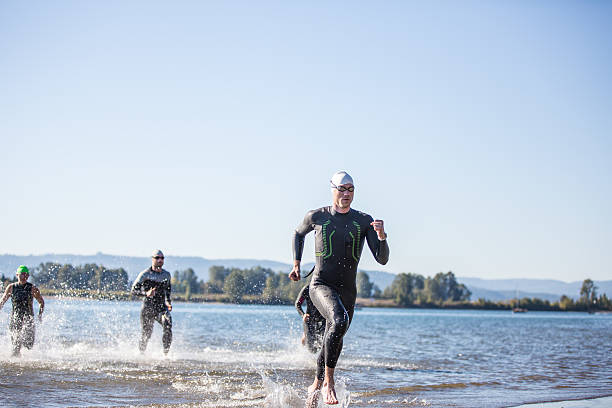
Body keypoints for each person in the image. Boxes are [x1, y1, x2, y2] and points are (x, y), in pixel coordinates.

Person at [289, 171, 389, 406]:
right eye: (341, 189)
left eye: (350, 189)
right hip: (321, 284)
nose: (346, 194)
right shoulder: (317, 216)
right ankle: (328, 383)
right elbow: (297, 233)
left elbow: (382, 259)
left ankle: (315, 385)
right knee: (339, 320)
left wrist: (382, 236)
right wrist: (296, 264)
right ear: (332, 189)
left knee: (334, 334)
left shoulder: (364, 221)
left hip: (347, 291)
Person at [131, 250, 173, 354]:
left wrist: (168, 302)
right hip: (147, 308)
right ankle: (141, 354)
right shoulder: (145, 274)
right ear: (152, 259)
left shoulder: (166, 275)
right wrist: (146, 293)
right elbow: (133, 291)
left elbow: (168, 291)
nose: (160, 260)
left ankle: (165, 355)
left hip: (161, 308)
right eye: (157, 258)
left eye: (162, 258)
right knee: (146, 334)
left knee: (167, 324)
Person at [0, 265, 45, 357]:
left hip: (29, 320)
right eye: (21, 275)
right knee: (16, 345)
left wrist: (40, 314)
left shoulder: (32, 288)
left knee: (29, 346)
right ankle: (16, 363)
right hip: (15, 319)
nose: (24, 277)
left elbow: (41, 302)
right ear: (17, 275)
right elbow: (2, 301)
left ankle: (27, 362)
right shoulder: (11, 287)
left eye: (26, 275)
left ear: (28, 276)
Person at [295, 283, 325, 354]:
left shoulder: (326, 288)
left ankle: (322, 361)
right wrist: (303, 315)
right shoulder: (307, 288)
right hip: (309, 319)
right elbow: (298, 304)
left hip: (323, 320)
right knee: (311, 349)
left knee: (322, 344)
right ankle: (302, 353)